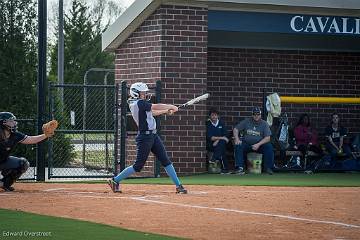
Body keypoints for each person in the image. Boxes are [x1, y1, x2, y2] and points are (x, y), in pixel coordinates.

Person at [108, 82, 187, 194]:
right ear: (136, 93)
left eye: (145, 92)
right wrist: (171, 106)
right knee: (138, 165)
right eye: (142, 93)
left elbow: (151, 112)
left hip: (153, 136)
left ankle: (179, 186)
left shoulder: (139, 103)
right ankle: (115, 180)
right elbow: (154, 106)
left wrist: (165, 111)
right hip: (145, 137)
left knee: (165, 160)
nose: (145, 94)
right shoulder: (138, 103)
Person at [0, 112, 54, 191]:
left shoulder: (14, 135)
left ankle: (4, 184)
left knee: (23, 164)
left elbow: (31, 139)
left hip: (3, 161)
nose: (14, 122)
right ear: (2, 123)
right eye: (10, 121)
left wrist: (46, 135)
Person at [233, 107, 274, 174]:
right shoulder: (246, 121)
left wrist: (258, 144)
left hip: (259, 145)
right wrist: (237, 139)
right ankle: (239, 167)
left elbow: (268, 138)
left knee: (269, 147)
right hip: (247, 144)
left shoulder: (264, 124)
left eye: (258, 114)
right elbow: (235, 129)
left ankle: (268, 168)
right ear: (252, 115)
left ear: (260, 115)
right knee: (238, 145)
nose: (256, 116)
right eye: (255, 114)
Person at [206, 108, 230, 174]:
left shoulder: (221, 123)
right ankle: (225, 169)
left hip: (219, 144)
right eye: (212, 115)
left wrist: (218, 140)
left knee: (221, 144)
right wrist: (220, 138)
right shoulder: (208, 124)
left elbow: (226, 135)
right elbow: (211, 138)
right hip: (211, 145)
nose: (214, 116)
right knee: (222, 147)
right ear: (210, 116)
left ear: (218, 116)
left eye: (215, 115)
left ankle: (214, 158)